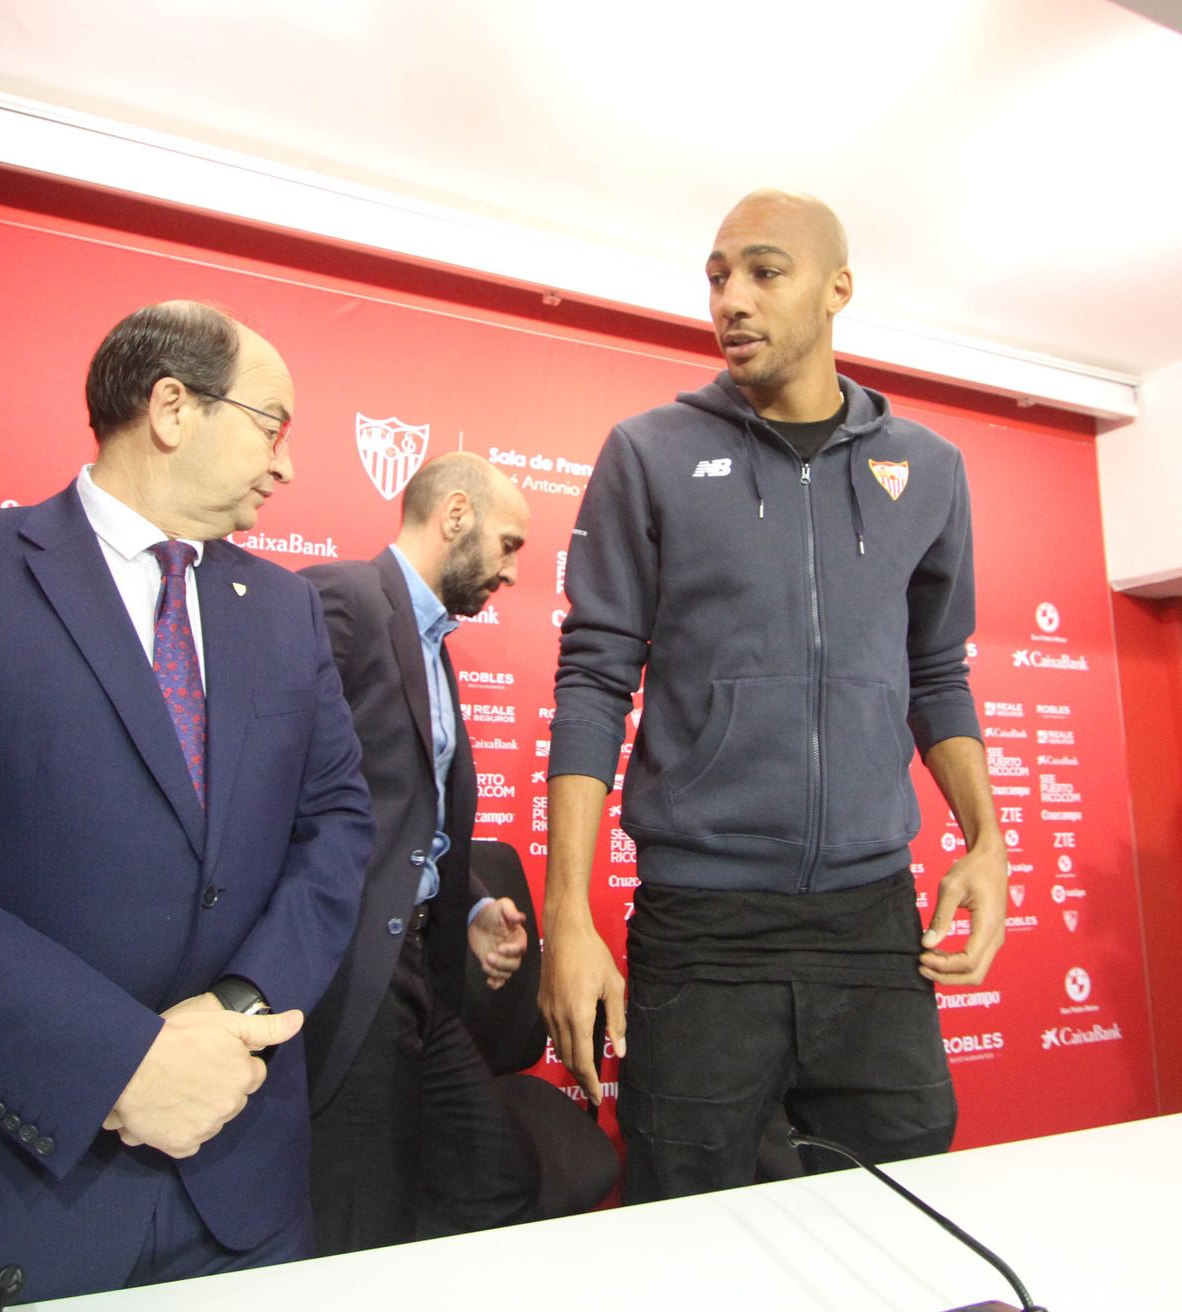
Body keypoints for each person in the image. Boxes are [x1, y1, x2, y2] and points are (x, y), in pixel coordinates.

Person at [0, 300, 374, 1310]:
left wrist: (234, 1011)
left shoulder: (286, 610)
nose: (285, 464)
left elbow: (337, 827)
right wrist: (119, 1064)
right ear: (173, 407)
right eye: (272, 424)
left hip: (235, 1184)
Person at [539, 190, 1006, 1203]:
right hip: (703, 930)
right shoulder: (648, 452)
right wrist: (566, 915)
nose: (730, 300)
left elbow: (938, 673)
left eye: (762, 271)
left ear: (837, 288)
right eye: (715, 277)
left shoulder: (927, 468)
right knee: (684, 1219)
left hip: (875, 923)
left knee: (905, 1212)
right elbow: (593, 676)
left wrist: (985, 837)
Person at [300, 452, 538, 1253]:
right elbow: (284, 789)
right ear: (457, 515)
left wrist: (465, 901)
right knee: (363, 1212)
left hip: (424, 972)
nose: (510, 572)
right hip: (354, 969)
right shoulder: (346, 598)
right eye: (508, 545)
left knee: (495, 1177)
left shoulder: (433, 645)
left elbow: (408, 816)